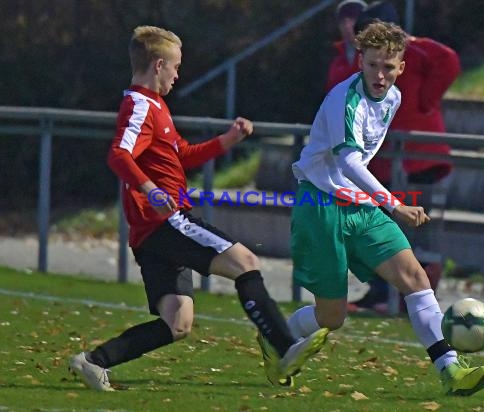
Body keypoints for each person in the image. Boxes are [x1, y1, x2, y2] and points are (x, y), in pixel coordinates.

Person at [69, 25, 328, 391]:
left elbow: (183, 155)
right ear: (158, 65)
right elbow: (119, 153)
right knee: (246, 263)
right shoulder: (140, 104)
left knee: (177, 322)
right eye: (175, 67)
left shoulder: (155, 106)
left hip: (150, 233)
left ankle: (94, 362)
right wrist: (150, 189)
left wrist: (228, 139)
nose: (178, 74)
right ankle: (282, 346)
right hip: (164, 221)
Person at [287, 21, 484, 396]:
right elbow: (351, 163)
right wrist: (394, 205)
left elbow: (359, 168)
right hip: (320, 204)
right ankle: (278, 335)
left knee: (415, 279)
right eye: (372, 65)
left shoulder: (394, 98)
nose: (380, 74)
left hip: (359, 204)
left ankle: (452, 371)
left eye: (389, 66)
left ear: (401, 67)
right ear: (360, 61)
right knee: (331, 317)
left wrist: (380, 203)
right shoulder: (345, 99)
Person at [345, 1, 461, 314]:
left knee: (413, 228)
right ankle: (383, 294)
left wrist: (427, 101)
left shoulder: (415, 51)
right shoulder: (365, 62)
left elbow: (448, 60)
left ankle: (412, 299)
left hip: (420, 159)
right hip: (383, 160)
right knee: (374, 227)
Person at [325, 0, 368, 92]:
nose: (347, 26)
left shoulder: (378, 53)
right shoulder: (331, 55)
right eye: (343, 21)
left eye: (353, 19)